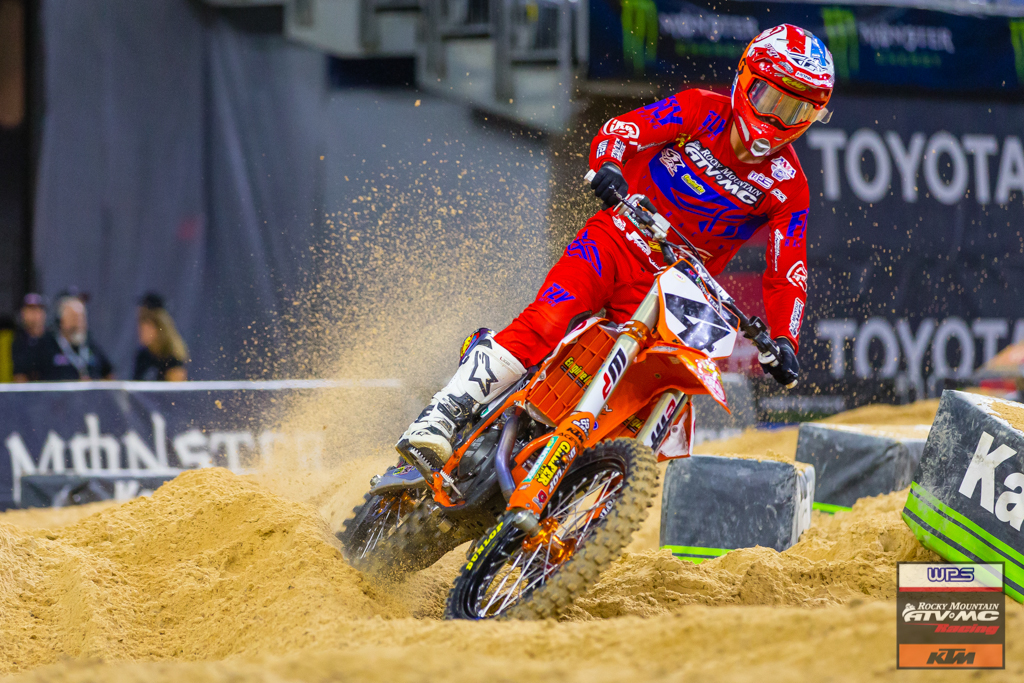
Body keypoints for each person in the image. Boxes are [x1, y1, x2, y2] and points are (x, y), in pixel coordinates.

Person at [396, 24, 835, 467]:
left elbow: (788, 273)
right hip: (619, 238)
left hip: (682, 291)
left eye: (796, 111)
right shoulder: (701, 108)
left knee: (658, 387)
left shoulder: (790, 186)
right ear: (745, 80)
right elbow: (622, 130)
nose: (777, 119)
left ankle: (587, 480)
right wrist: (609, 165)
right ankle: (440, 416)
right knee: (550, 319)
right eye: (770, 99)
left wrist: (785, 340)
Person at [36, 296, 114, 381]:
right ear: (62, 320)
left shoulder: (90, 345)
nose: (78, 324)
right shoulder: (47, 345)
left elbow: (109, 372)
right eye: (74, 318)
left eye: (82, 318)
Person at [133, 300, 188, 381]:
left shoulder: (172, 359)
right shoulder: (143, 356)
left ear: (159, 329)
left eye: (146, 329)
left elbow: (177, 387)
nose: (141, 333)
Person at [11, 293, 48, 382]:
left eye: (38, 309)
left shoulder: (53, 339)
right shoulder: (18, 341)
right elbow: (19, 375)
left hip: (52, 387)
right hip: (30, 388)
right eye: (30, 309)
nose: (34, 314)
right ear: (23, 313)